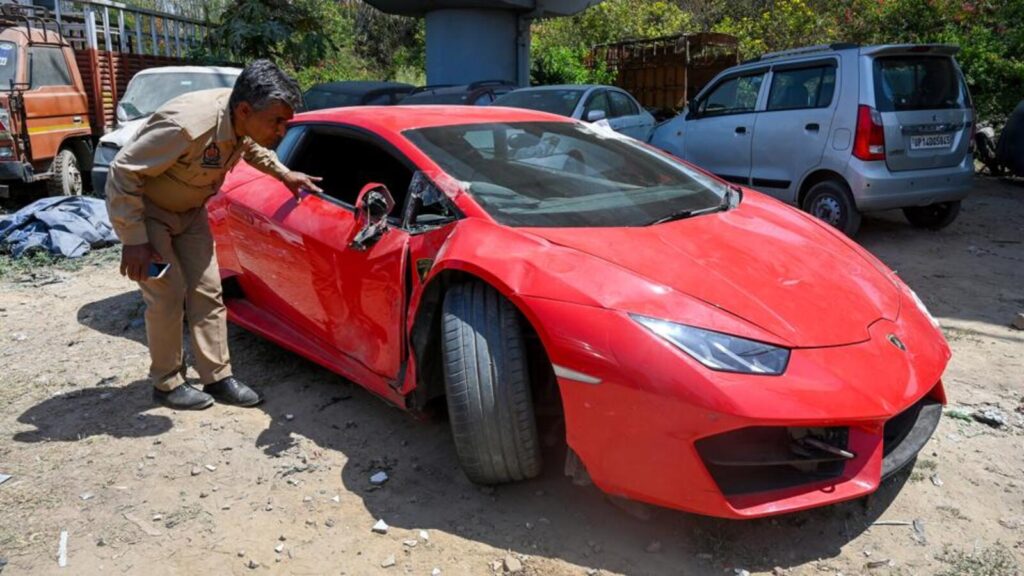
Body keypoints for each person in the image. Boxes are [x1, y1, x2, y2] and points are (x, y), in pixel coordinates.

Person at [105, 59, 322, 410]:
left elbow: (249, 147)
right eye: (277, 122)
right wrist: (134, 240)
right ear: (245, 109)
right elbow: (124, 171)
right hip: (149, 216)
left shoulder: (241, 119)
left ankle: (217, 377)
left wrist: (284, 174)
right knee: (167, 294)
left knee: (207, 290)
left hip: (190, 214)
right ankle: (167, 383)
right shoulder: (187, 126)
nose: (282, 131)